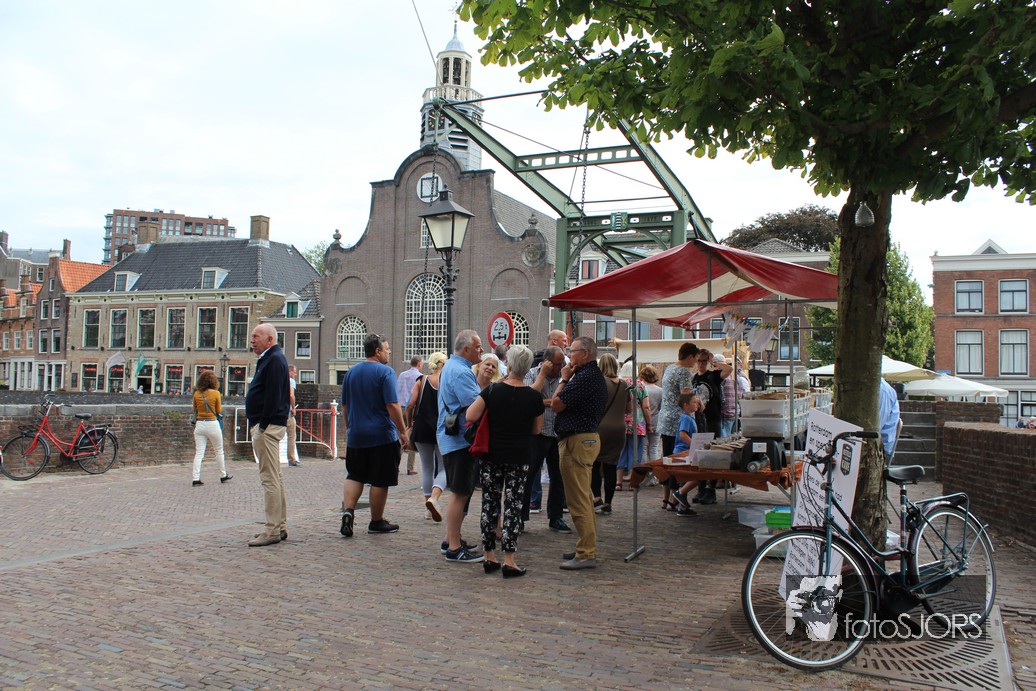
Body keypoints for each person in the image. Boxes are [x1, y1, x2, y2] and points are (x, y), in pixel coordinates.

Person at [466, 345, 543, 578]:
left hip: (491, 455)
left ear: (508, 365)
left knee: (490, 503)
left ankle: (489, 555)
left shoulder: (492, 391)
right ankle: (509, 559)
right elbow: (537, 430)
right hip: (519, 456)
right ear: (527, 368)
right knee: (513, 506)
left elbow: (470, 415)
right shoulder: (534, 397)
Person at [339, 333, 408, 538]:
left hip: (356, 436)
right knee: (380, 479)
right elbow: (392, 405)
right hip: (381, 436)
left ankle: (348, 512)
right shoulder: (386, 372)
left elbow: (344, 406)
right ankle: (376, 521)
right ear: (377, 351)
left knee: (354, 475)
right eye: (386, 349)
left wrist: (350, 427)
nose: (389, 352)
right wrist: (403, 431)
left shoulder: (351, 373)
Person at [552, 336, 608, 570]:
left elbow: (556, 403)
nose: (568, 355)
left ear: (584, 354)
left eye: (571, 351)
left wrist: (564, 378)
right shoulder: (591, 376)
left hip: (577, 440)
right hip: (584, 439)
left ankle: (586, 552)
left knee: (577, 500)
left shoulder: (585, 377)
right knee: (583, 497)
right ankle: (585, 546)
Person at [437, 329, 486, 563]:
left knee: (459, 492)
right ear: (466, 349)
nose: (482, 350)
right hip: (460, 440)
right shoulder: (461, 372)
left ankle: (450, 539)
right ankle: (454, 549)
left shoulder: (451, 366)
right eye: (478, 346)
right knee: (460, 494)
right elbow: (476, 405)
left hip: (452, 438)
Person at [245, 323, 291, 547]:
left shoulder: (273, 360)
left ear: (270, 339)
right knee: (276, 477)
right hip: (270, 425)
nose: (252, 340)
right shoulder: (271, 358)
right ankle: (279, 526)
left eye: (256, 336)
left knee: (269, 478)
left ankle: (272, 530)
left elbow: (273, 395)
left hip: (268, 427)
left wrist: (262, 425)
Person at [526, 345, 570, 533]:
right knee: (529, 475)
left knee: (558, 476)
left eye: (562, 363)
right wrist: (551, 401)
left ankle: (556, 516)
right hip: (538, 434)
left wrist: (545, 402)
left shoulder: (565, 377)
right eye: (558, 364)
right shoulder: (532, 374)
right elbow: (528, 399)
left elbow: (566, 401)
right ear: (547, 362)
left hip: (557, 433)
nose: (561, 367)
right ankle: (520, 517)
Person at [407, 352, 448, 522]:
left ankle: (428, 509)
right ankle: (434, 499)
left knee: (427, 468)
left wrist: (409, 423)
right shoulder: (447, 381)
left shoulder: (422, 381)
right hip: (442, 429)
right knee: (445, 468)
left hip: (422, 428)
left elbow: (410, 404)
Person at [656, 343, 697, 509]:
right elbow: (686, 397)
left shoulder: (670, 368)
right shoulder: (684, 372)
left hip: (665, 420)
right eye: (695, 358)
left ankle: (666, 499)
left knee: (667, 460)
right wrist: (699, 400)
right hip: (678, 422)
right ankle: (675, 499)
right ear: (690, 356)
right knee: (678, 463)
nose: (695, 362)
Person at [690, 349, 734, 505]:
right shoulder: (694, 378)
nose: (701, 364)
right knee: (700, 455)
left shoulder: (713, 376)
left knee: (713, 454)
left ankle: (711, 489)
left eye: (704, 361)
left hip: (713, 419)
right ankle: (701, 487)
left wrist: (713, 361)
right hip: (699, 420)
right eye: (699, 361)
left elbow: (729, 369)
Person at [590, 353, 629, 515]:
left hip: (600, 429)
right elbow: (628, 410)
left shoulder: (599, 382)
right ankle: (608, 503)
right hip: (619, 430)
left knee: (594, 464)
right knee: (611, 466)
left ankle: (597, 498)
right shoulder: (624, 384)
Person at [190, 370, 230, 487]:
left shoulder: (197, 394)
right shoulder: (216, 393)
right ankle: (223, 475)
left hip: (200, 424)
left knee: (199, 453)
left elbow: (194, 409)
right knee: (219, 451)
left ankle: (195, 478)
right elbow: (218, 410)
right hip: (212, 423)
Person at [617, 361, 651, 489]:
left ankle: (618, 482)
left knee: (621, 451)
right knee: (635, 452)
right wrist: (649, 424)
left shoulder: (619, 383)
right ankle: (632, 482)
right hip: (637, 423)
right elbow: (646, 406)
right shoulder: (640, 385)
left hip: (620, 422)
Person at [670, 393, 704, 516]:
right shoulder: (686, 418)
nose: (697, 404)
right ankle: (680, 495)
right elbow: (683, 434)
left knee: (686, 479)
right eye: (694, 402)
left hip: (685, 451)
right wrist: (694, 445)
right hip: (683, 452)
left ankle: (682, 507)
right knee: (696, 476)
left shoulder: (689, 418)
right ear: (686, 405)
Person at [397, 356, 424, 475]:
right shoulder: (420, 377)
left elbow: (397, 391)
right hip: (412, 409)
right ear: (419, 364)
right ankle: (410, 467)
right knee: (412, 436)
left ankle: (395, 464)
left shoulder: (402, 375)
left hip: (400, 408)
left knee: (401, 435)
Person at [640, 364, 663, 462]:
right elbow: (661, 408)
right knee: (654, 448)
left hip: (642, 421)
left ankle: (644, 469)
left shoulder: (641, 389)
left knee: (643, 449)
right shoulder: (660, 391)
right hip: (656, 422)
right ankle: (654, 470)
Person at [878, 377, 901, 459]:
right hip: (879, 449)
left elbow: (875, 427)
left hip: (876, 451)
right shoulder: (885, 389)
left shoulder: (880, 389)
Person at [287, 365, 300, 466]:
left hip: (276, 412)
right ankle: (291, 459)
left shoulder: (278, 380)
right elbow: (291, 395)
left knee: (275, 437)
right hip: (287, 413)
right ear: (290, 371)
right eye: (294, 372)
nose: (295, 374)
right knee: (291, 436)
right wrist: (293, 408)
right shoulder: (291, 381)